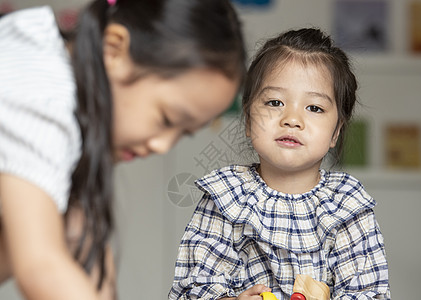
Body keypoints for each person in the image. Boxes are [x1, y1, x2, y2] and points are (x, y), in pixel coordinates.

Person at [0, 0, 245, 299]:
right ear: (113, 49)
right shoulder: (41, 98)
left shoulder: (52, 68)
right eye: (167, 119)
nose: (162, 145)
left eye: (184, 134)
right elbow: (42, 268)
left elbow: (86, 245)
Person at [169, 28, 390, 299]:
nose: (292, 119)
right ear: (249, 120)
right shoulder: (226, 196)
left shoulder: (347, 205)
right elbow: (193, 288)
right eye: (275, 102)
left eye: (314, 108)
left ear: (335, 133)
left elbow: (369, 292)